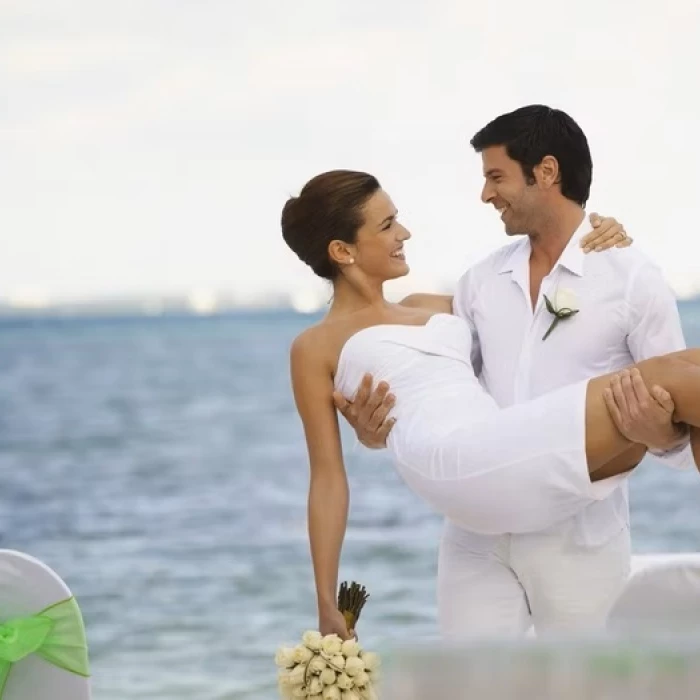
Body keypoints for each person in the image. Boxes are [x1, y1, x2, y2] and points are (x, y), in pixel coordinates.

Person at [281, 167, 699, 641]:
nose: (404, 233)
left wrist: (596, 233)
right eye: (387, 225)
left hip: (499, 448)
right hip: (455, 461)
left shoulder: (430, 305)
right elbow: (328, 478)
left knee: (688, 369)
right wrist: (325, 601)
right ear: (342, 251)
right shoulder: (315, 347)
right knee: (674, 378)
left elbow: (525, 294)